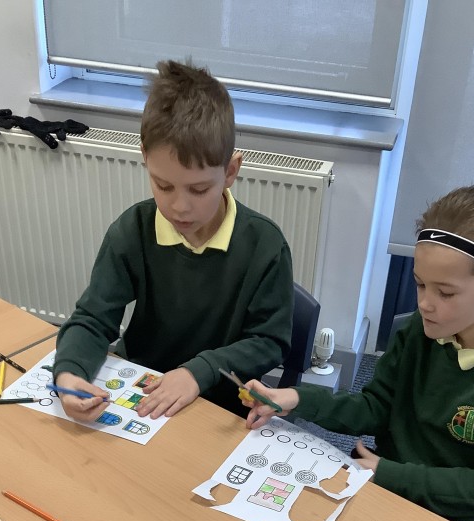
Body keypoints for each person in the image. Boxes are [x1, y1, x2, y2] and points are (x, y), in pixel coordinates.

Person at [242, 184, 474, 521]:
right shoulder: (417, 332)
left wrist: (390, 473)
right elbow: (376, 407)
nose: (424, 303)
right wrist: (298, 398)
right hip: (384, 486)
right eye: (420, 284)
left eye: (445, 292)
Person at [52, 59, 293, 421]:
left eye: (199, 189)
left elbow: (270, 342)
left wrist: (198, 372)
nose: (179, 207)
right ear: (145, 158)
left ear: (230, 171)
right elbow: (93, 318)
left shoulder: (264, 245)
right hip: (141, 390)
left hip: (217, 405)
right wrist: (69, 374)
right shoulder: (133, 229)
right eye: (163, 185)